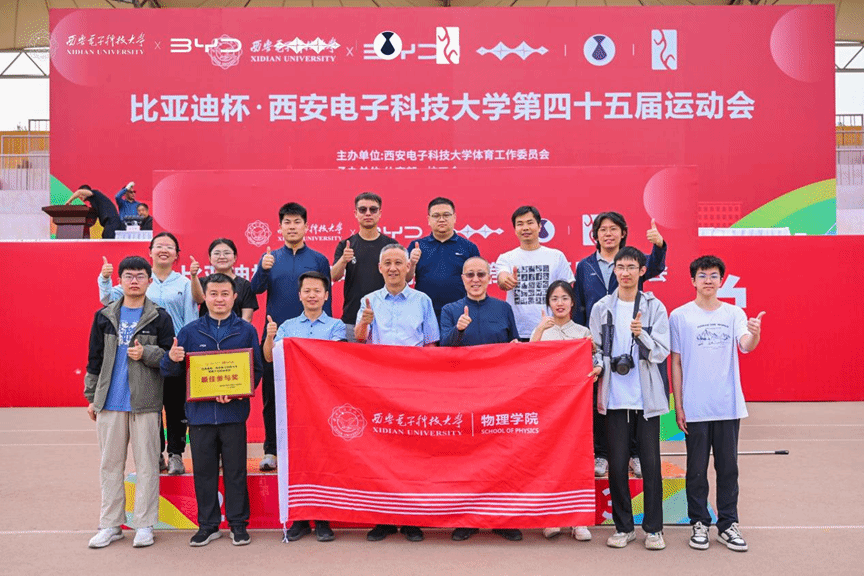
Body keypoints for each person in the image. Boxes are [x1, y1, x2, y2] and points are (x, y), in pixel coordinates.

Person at [670, 256, 764, 552]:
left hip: (727, 405)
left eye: (713, 275)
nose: (708, 280)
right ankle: (699, 522)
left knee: (728, 469)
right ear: (693, 280)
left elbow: (745, 345)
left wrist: (755, 334)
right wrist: (679, 406)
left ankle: (727, 525)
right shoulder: (680, 316)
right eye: (702, 275)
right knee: (696, 470)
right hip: (695, 406)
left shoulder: (734, 313)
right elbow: (676, 362)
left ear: (721, 281)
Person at [161, 274, 263, 547]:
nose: (219, 299)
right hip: (200, 415)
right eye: (214, 294)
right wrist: (171, 359)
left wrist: (238, 390)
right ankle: (208, 525)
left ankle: (238, 525)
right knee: (204, 473)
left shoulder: (246, 331)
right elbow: (171, 372)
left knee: (235, 471)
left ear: (234, 297)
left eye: (225, 294)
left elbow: (256, 369)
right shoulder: (190, 332)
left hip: (233, 414)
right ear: (204, 297)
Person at [84, 256, 175, 549]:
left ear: (149, 281)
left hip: (145, 402)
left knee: (148, 465)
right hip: (110, 401)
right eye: (128, 276)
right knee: (110, 465)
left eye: (140, 276)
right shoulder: (104, 316)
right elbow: (94, 359)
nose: (134, 281)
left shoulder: (160, 317)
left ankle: (144, 525)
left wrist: (146, 353)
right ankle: (111, 524)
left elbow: (169, 358)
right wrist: (92, 397)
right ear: (120, 281)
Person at [574, 212, 667, 479]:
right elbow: (580, 303)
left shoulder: (632, 260)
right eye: (603, 229)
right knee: (601, 401)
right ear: (595, 234)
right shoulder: (585, 265)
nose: (608, 234)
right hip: (599, 341)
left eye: (613, 229)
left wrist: (659, 245)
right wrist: (583, 340)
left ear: (623, 233)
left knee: (636, 400)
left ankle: (636, 455)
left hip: (631, 339)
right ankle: (601, 454)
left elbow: (654, 266)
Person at [355, 244, 439, 542]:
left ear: (407, 268)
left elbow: (431, 344)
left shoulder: (422, 300)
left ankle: (412, 519)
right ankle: (385, 519)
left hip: (414, 386)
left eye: (398, 263)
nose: (393, 268)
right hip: (379, 387)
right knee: (381, 452)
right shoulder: (369, 300)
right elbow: (360, 340)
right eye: (387, 263)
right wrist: (364, 323)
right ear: (380, 268)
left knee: (413, 453)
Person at [589, 247, 670, 551]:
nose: (625, 273)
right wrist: (598, 364)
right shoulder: (602, 307)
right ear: (615, 271)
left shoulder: (655, 307)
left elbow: (661, 350)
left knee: (650, 464)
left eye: (631, 267)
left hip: (646, 398)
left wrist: (641, 334)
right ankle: (624, 527)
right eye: (620, 267)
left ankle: (654, 529)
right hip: (614, 397)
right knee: (618, 464)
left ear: (642, 271)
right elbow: (595, 347)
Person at [99, 232, 198, 475]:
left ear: (176, 254)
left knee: (175, 407)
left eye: (169, 247)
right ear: (150, 251)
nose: (164, 250)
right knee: (151, 407)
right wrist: (105, 278)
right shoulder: (140, 278)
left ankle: (176, 454)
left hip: (173, 352)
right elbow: (108, 299)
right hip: (143, 354)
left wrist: (185, 352)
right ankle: (156, 454)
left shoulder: (184, 284)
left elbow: (190, 318)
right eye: (159, 246)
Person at [440, 256, 521, 541]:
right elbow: (443, 349)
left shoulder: (503, 308)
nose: (475, 280)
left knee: (502, 457)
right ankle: (468, 519)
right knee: (466, 459)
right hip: (462, 395)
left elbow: (515, 348)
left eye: (481, 274)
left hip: (499, 396)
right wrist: (459, 329)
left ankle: (502, 519)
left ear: (490, 278)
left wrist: (515, 348)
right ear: (462, 279)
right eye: (470, 275)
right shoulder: (450, 310)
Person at [263, 271, 346, 543]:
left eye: (317, 291)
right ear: (299, 295)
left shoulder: (336, 326)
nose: (312, 295)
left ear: (326, 295)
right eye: (307, 291)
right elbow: (270, 358)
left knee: (324, 459)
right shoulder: (287, 327)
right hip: (294, 403)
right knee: (297, 458)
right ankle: (299, 519)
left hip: (325, 403)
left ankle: (323, 520)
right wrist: (270, 338)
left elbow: (336, 358)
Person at [250, 202, 331, 472]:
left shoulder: (319, 259)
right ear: (280, 227)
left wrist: (326, 335)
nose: (292, 227)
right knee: (273, 395)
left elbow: (326, 298)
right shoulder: (270, 258)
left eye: (297, 222)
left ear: (306, 226)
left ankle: (314, 446)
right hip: (277, 336)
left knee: (312, 396)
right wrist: (263, 269)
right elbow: (254, 290)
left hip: (311, 338)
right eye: (287, 222)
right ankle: (271, 449)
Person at [530, 280, 602, 544]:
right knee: (548, 460)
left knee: (577, 459)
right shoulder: (541, 331)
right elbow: (528, 362)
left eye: (564, 298)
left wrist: (598, 367)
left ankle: (578, 520)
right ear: (548, 303)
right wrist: (539, 330)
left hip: (576, 409)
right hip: (548, 407)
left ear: (572, 302)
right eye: (554, 298)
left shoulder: (583, 332)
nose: (559, 303)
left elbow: (597, 360)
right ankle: (551, 516)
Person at [495, 206, 573, 340]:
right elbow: (502, 278)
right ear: (515, 229)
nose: (525, 228)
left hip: (551, 330)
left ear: (539, 226)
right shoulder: (506, 258)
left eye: (530, 223)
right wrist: (506, 280)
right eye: (520, 224)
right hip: (518, 331)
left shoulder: (556, 256)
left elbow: (567, 290)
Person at [331, 192, 394, 341]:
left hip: (385, 320)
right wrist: (343, 260)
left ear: (380, 213)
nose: (368, 213)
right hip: (352, 318)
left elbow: (404, 278)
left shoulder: (391, 245)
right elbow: (334, 276)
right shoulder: (346, 245)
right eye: (363, 209)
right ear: (356, 213)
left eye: (373, 209)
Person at [407, 197, 481, 319]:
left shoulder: (469, 247)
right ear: (429, 219)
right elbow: (406, 279)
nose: (441, 219)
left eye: (446, 215)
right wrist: (412, 263)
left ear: (454, 217)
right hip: (425, 311)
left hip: (459, 312)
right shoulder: (417, 246)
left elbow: (478, 281)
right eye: (436, 216)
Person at [190, 238, 259, 322]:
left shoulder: (245, 285)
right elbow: (199, 300)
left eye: (227, 253)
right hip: (206, 329)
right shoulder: (202, 282)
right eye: (217, 253)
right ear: (210, 257)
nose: (222, 257)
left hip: (236, 329)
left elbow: (247, 318)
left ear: (235, 257)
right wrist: (194, 276)